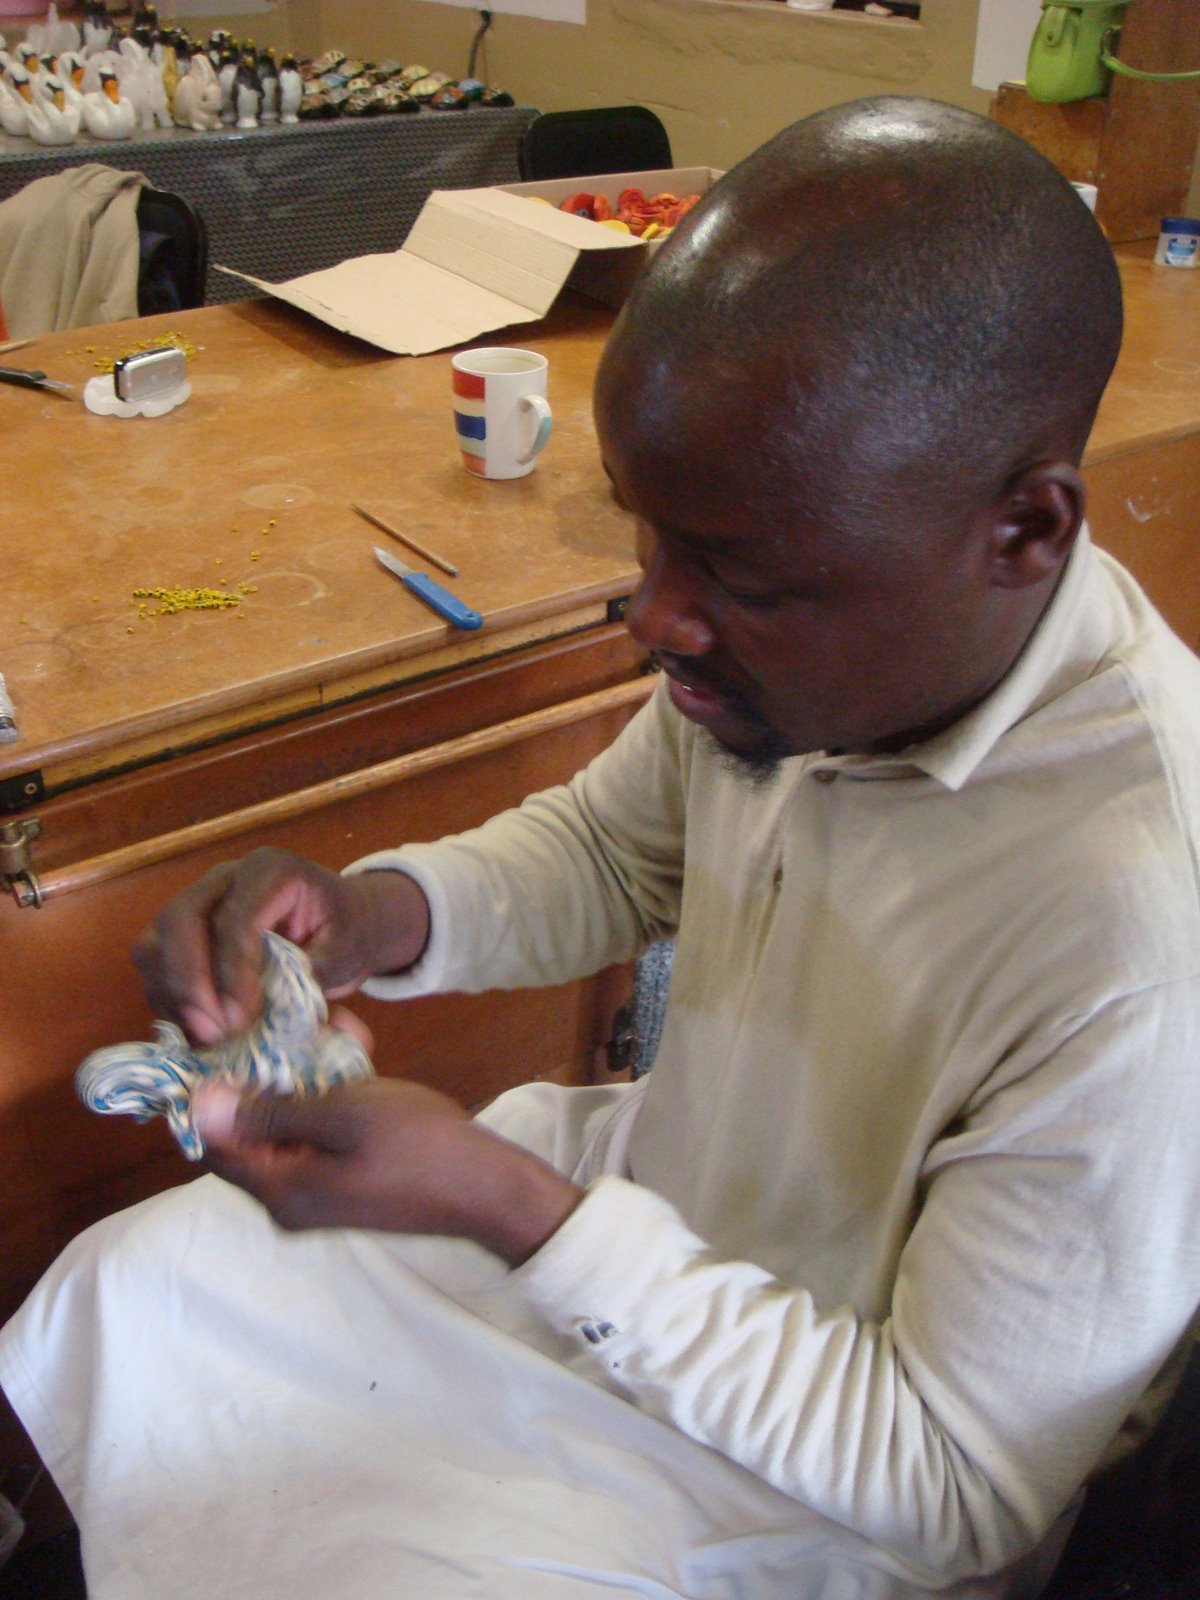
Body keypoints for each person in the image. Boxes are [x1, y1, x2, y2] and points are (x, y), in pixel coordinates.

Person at [3, 95, 1199, 1600]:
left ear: (1025, 533)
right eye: (647, 531)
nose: (654, 618)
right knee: (128, 1281)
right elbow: (618, 852)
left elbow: (953, 1479)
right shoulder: (822, 651)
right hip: (631, 1228)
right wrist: (374, 914)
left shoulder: (1140, 922)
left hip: (822, 1469)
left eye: (736, 574)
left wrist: (514, 1211)